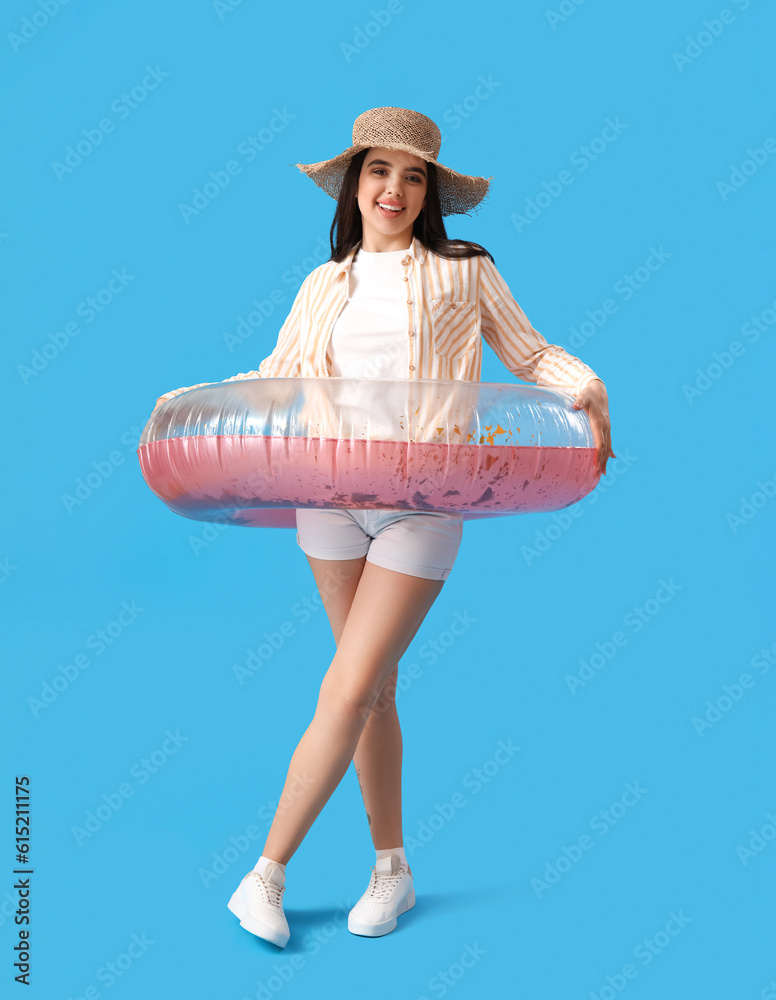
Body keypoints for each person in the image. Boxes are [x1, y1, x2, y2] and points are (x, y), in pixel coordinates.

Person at [153, 107, 615, 949]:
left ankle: (265, 874)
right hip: (327, 497)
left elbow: (532, 355)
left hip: (426, 499)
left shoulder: (465, 270)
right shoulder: (324, 284)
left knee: (346, 684)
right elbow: (274, 377)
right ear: (355, 183)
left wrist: (588, 382)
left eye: (412, 176)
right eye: (379, 171)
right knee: (372, 691)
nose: (393, 189)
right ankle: (392, 869)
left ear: (429, 191)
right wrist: (190, 405)